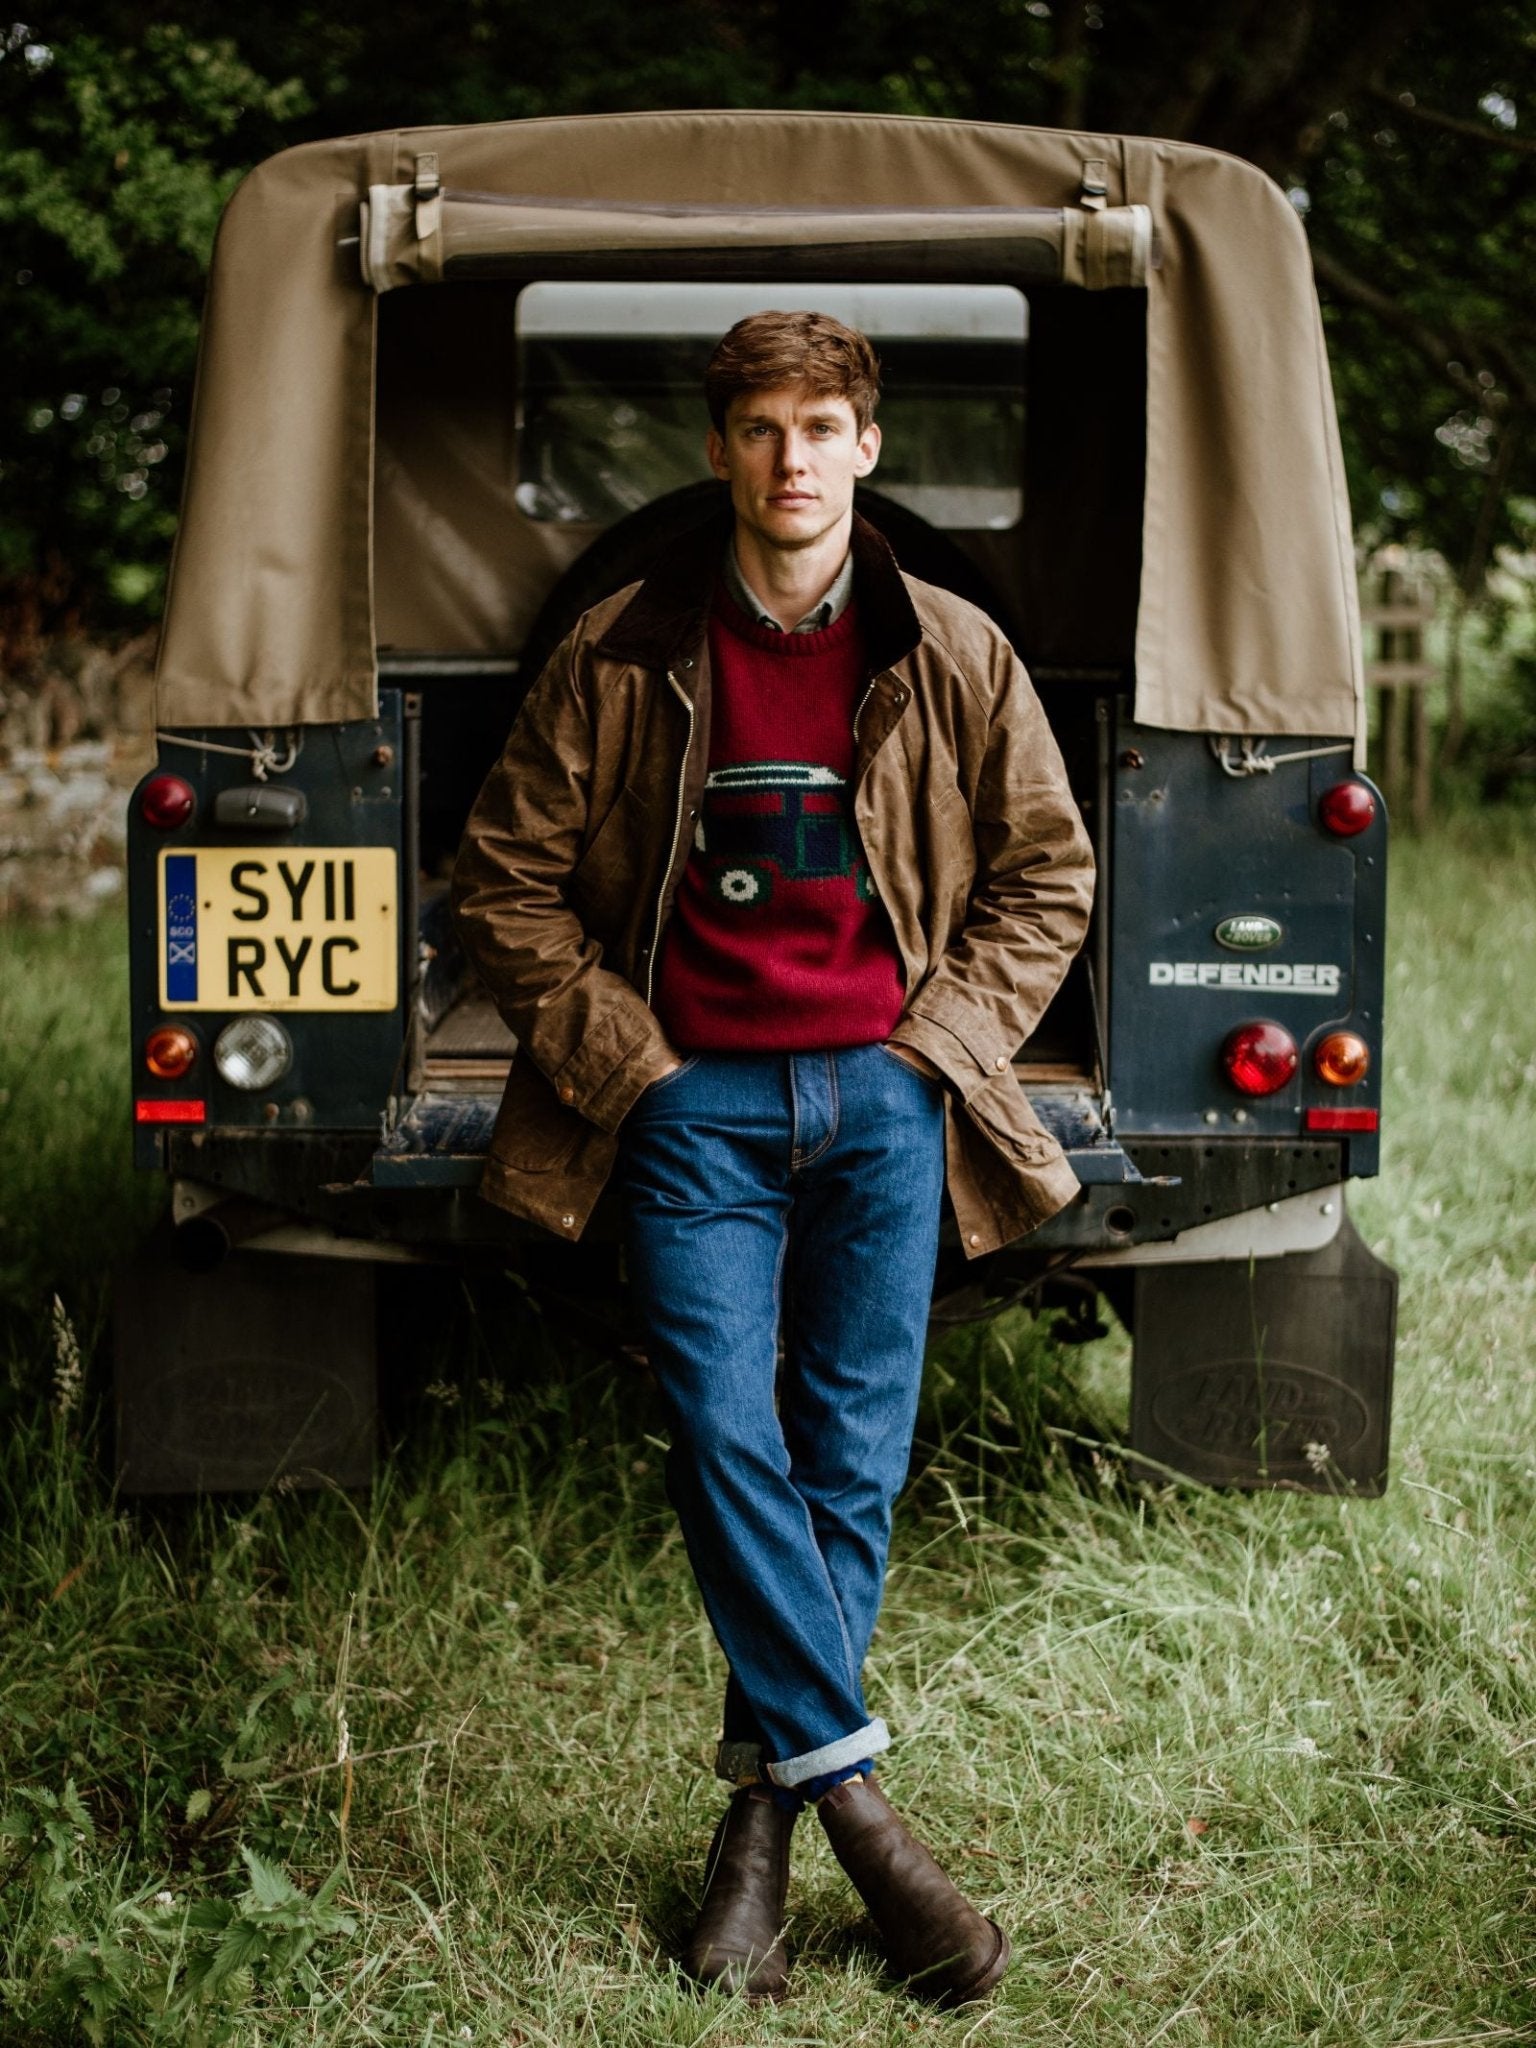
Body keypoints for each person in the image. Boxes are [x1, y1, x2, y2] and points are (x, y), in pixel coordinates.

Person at [452, 310, 1095, 2006]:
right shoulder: (618, 647)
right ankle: (874, 1828)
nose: (792, 458)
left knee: (848, 1466)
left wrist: (932, 1055)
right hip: (691, 1113)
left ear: (869, 448)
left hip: (884, 1108)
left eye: (823, 426)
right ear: (721, 450)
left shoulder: (950, 647)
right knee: (726, 1434)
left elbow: (1050, 875)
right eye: (760, 429)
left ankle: (760, 1834)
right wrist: (633, 1067)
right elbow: (500, 880)